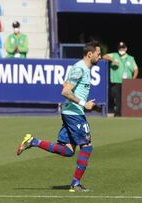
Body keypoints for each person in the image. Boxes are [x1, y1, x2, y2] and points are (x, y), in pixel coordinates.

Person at [15, 41, 101, 192]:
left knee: (68, 150)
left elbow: (65, 84)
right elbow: (65, 92)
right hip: (74, 114)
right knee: (87, 146)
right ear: (90, 54)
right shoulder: (80, 68)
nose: (99, 57)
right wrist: (84, 103)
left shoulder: (82, 69)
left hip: (71, 112)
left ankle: (33, 141)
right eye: (98, 54)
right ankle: (75, 184)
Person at [102, 42, 139, 117]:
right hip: (116, 81)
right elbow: (104, 56)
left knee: (127, 99)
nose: (121, 50)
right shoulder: (115, 55)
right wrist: (112, 60)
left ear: (125, 49)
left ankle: (126, 113)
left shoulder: (130, 58)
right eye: (120, 48)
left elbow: (136, 70)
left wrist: (133, 80)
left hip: (127, 82)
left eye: (122, 48)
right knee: (117, 98)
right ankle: (117, 114)